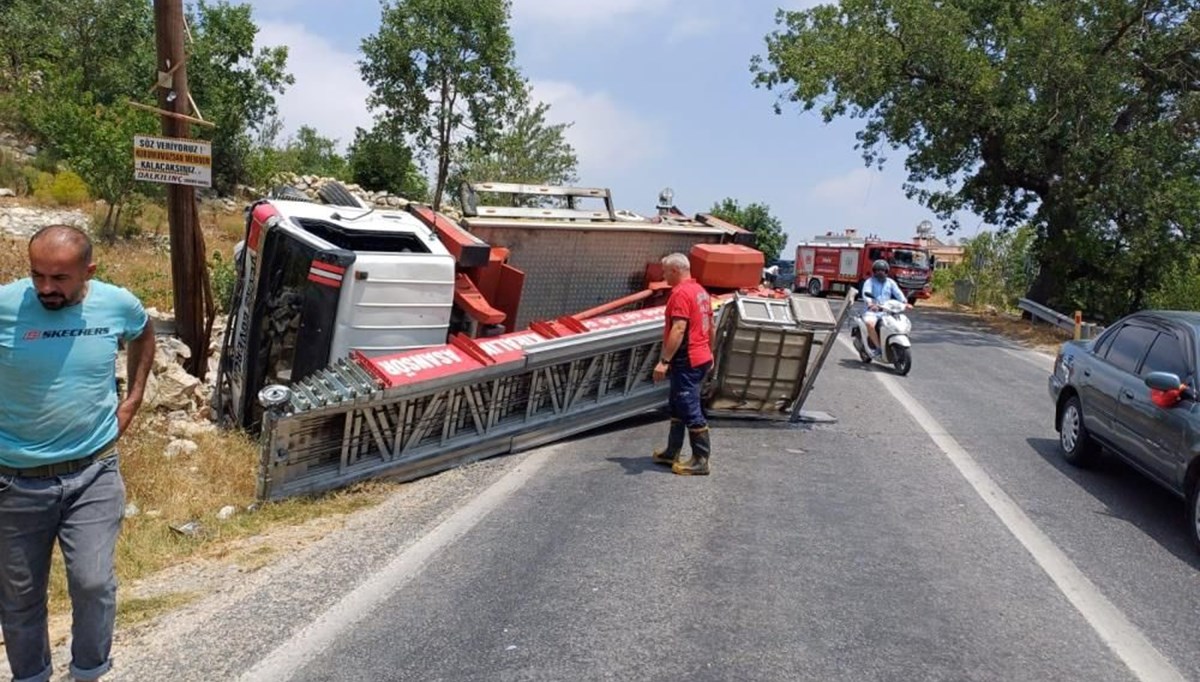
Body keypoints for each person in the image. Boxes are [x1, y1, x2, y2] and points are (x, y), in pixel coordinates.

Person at [0, 225, 155, 682]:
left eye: (60, 279)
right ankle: (31, 676)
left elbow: (144, 332)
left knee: (92, 583)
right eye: (37, 275)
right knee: (19, 594)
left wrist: (134, 399)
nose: (46, 288)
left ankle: (89, 670)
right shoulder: (5, 305)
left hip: (93, 472)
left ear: (88, 271)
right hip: (14, 480)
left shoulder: (116, 303)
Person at [651, 253, 714, 475]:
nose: (663, 275)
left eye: (666, 271)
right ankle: (672, 451)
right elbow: (709, 326)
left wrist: (664, 361)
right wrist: (710, 352)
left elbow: (679, 329)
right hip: (701, 356)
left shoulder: (680, 294)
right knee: (677, 403)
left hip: (687, 359)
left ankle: (700, 460)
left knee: (689, 407)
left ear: (676, 271)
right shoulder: (700, 292)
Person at [860, 258, 908, 356]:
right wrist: (870, 303)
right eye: (878, 270)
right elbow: (865, 293)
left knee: (897, 325)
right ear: (874, 271)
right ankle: (878, 348)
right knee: (870, 324)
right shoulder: (869, 282)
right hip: (872, 311)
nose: (880, 273)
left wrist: (905, 302)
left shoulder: (890, 282)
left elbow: (898, 293)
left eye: (883, 270)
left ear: (886, 271)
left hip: (887, 311)